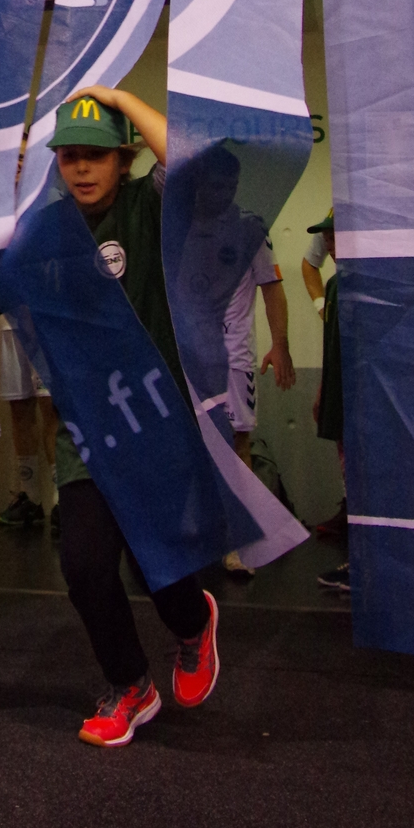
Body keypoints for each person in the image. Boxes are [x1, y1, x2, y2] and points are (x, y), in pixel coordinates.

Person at [47, 87, 220, 748]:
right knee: (85, 566)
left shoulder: (149, 208)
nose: (82, 168)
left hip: (153, 421)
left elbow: (193, 163)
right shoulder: (48, 232)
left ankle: (193, 624)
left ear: (123, 160)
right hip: (86, 430)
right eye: (70, 156)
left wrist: (120, 98)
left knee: (157, 567)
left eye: (96, 155)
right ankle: (130, 687)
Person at [171, 146, 295, 577]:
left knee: (237, 443)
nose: (223, 194)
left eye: (231, 186)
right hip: (186, 355)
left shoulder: (249, 229)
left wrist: (281, 344)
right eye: (215, 185)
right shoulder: (176, 224)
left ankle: (239, 540)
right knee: (188, 445)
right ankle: (196, 533)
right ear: (198, 185)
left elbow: (272, 288)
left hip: (233, 357)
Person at [307, 212, 350, 594]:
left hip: (364, 403)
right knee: (349, 472)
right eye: (328, 238)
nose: (331, 245)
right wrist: (324, 389)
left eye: (336, 236)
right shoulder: (336, 286)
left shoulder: (369, 286)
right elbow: (333, 345)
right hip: (340, 393)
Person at [0, 318, 59, 534]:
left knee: (51, 408)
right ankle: (30, 497)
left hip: (44, 320)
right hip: (8, 322)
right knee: (19, 407)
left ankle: (62, 500)